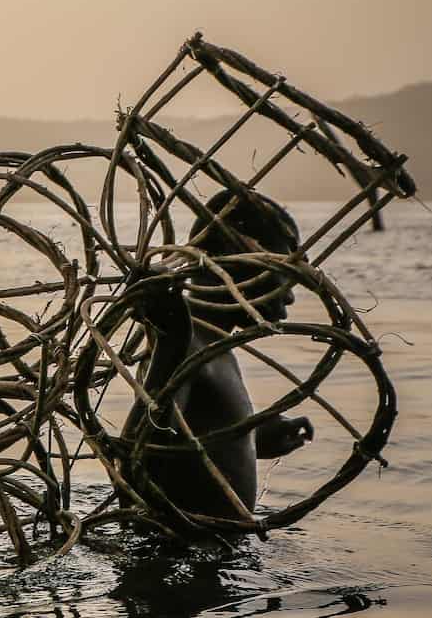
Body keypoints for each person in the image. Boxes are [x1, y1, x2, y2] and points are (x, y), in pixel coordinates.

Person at [122, 186, 314, 523]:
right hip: (178, 561)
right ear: (234, 258)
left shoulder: (212, 346)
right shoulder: (183, 345)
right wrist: (172, 345)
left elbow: (188, 442)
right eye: (282, 270)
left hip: (209, 555)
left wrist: (252, 436)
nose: (291, 296)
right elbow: (134, 462)